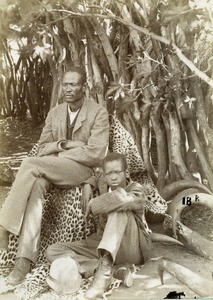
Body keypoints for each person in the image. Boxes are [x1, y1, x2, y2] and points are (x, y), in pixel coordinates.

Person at [0, 66, 109, 285]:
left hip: (80, 170)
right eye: (65, 84)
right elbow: (42, 148)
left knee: (30, 164)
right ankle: (24, 261)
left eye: (74, 84)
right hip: (53, 167)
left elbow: (96, 153)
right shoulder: (55, 112)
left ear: (84, 86)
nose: (68, 89)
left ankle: (3, 227)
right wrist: (65, 145)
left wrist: (61, 154)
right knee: (38, 184)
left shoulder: (98, 113)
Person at [46, 152, 151, 299]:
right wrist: (89, 184)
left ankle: (103, 275)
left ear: (126, 173)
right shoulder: (103, 182)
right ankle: (113, 270)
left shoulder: (137, 190)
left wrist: (94, 203)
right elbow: (96, 176)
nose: (113, 177)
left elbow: (121, 199)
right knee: (53, 251)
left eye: (117, 172)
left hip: (131, 247)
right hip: (102, 243)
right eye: (109, 174)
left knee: (118, 209)